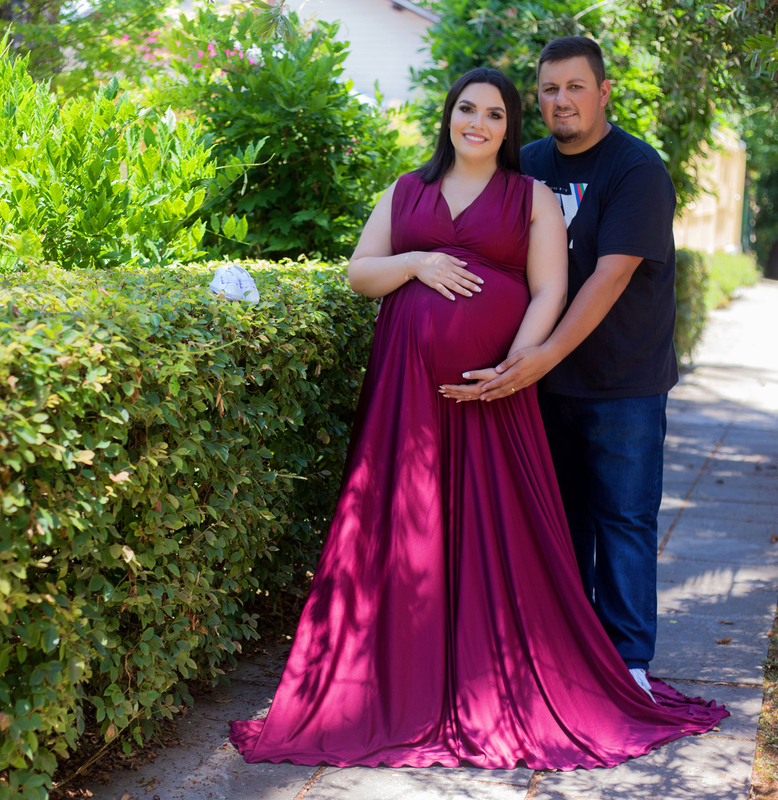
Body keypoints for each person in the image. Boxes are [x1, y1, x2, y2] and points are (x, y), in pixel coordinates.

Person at [229, 67, 727, 770]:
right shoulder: (407, 189)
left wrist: (515, 367)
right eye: (468, 109)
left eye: (495, 114)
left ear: (508, 127)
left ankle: (541, 665)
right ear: (448, 115)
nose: (479, 124)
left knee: (515, 528)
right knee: (410, 523)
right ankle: (398, 672)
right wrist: (417, 262)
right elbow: (360, 272)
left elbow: (551, 286)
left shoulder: (532, 196)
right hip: (407, 396)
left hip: (497, 392)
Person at [444, 37, 679, 701]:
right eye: (549, 90)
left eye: (576, 87)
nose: (561, 100)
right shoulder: (527, 165)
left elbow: (607, 279)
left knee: (624, 521)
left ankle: (630, 662)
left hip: (621, 383)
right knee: (555, 519)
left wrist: (541, 353)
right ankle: (566, 651)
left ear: (604, 92)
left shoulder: (637, 170)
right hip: (539, 384)